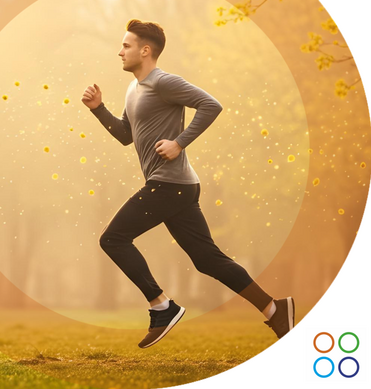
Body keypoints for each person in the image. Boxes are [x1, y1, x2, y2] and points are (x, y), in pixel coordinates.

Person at [80, 19, 294, 349]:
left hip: (170, 185)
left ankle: (161, 306)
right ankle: (274, 308)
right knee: (207, 259)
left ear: (145, 50)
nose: (119, 51)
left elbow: (211, 105)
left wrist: (179, 142)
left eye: (126, 45)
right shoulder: (133, 89)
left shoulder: (164, 82)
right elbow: (126, 136)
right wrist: (99, 110)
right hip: (176, 186)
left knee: (113, 238)